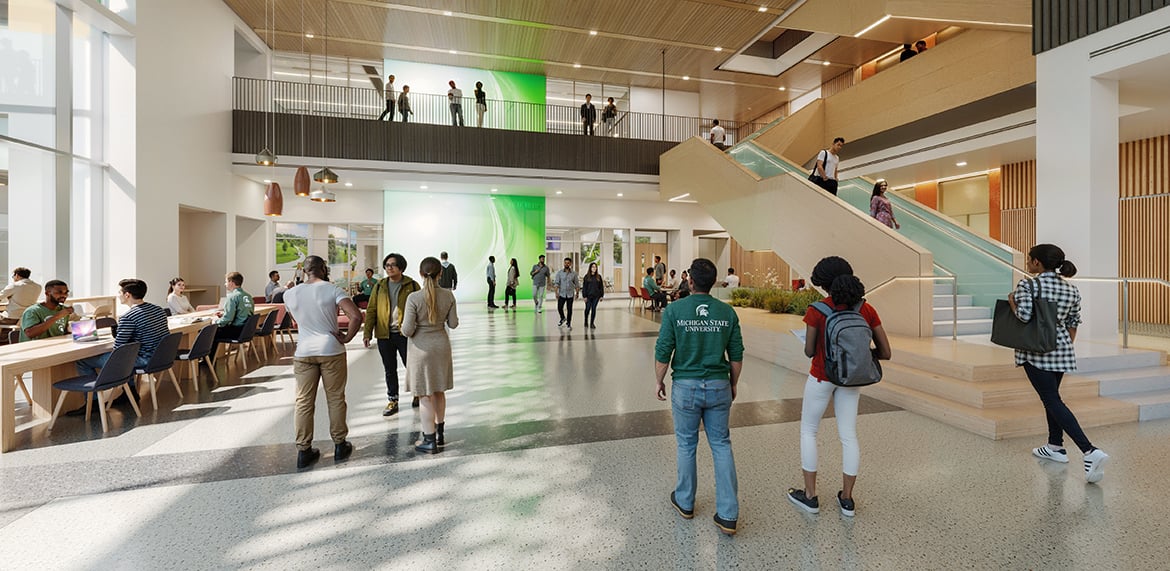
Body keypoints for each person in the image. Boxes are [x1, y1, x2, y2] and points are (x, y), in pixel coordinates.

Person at [787, 256, 891, 518]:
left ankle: (810, 496)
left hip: (821, 377)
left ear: (826, 284)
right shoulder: (866, 309)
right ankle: (847, 500)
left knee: (809, 431)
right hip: (851, 380)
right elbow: (886, 352)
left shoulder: (817, 310)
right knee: (848, 435)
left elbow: (809, 351)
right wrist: (858, 356)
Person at [655, 258, 743, 535]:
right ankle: (728, 514)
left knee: (686, 444)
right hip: (718, 385)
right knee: (721, 444)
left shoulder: (675, 310)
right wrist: (733, 384)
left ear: (690, 281)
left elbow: (663, 350)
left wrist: (658, 381)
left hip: (686, 386)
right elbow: (736, 355)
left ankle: (685, 502)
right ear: (714, 282)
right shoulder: (727, 312)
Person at [1010, 244, 1110, 483]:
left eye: (1030, 259)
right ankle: (1055, 446)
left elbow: (1023, 316)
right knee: (1052, 398)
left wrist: (1012, 301)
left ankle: (1089, 451)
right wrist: (1063, 346)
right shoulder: (1071, 289)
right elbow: (1073, 322)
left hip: (1036, 353)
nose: (1027, 263)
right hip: (1062, 351)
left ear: (1037, 262)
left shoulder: (1028, 285)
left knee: (1052, 400)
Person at [284, 255, 363, 469]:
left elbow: (296, 320)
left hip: (304, 351)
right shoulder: (333, 289)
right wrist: (347, 338)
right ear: (322, 268)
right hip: (331, 350)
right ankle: (339, 445)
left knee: (303, 401)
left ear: (305, 271)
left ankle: (303, 451)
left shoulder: (290, 294)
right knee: (335, 398)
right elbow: (356, 316)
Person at [75, 278, 171, 408]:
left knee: (83, 361)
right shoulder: (158, 309)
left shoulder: (129, 316)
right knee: (128, 355)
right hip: (160, 357)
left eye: (119, 292)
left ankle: (94, 403)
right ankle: (129, 392)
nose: (118, 295)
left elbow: (118, 349)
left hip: (145, 359)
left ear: (127, 295)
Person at [402, 256, 459, 454]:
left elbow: (407, 330)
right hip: (441, 346)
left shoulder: (414, 298)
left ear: (420, 273)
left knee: (425, 395)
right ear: (440, 274)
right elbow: (453, 324)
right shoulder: (448, 296)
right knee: (439, 391)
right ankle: (440, 433)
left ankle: (429, 439)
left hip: (420, 349)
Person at [363, 253, 421, 416]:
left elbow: (421, 309)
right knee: (389, 369)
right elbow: (371, 310)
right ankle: (392, 400)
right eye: (387, 265)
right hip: (384, 335)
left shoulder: (412, 285)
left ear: (401, 267)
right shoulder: (380, 286)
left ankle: (417, 393)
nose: (389, 268)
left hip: (406, 334)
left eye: (392, 265)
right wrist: (367, 332)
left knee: (411, 366)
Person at [212, 272, 255, 356]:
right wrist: (224, 314)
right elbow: (242, 313)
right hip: (246, 330)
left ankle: (208, 360)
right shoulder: (248, 296)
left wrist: (216, 321)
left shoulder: (232, 297)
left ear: (231, 282)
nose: (225, 284)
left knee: (211, 333)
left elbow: (228, 319)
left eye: (226, 282)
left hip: (237, 331)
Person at [553, 257, 580, 329]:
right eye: (565, 263)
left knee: (569, 309)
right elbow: (556, 283)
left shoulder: (574, 274)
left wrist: (577, 293)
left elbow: (577, 284)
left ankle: (568, 323)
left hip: (570, 294)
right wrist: (556, 293)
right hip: (562, 294)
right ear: (563, 263)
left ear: (570, 264)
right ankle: (562, 318)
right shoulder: (559, 273)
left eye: (568, 263)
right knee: (559, 308)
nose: (566, 264)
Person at [581, 262, 604, 329]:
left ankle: (592, 323)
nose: (594, 268)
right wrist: (584, 296)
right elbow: (584, 287)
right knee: (587, 309)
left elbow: (601, 287)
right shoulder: (586, 277)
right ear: (590, 268)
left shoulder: (599, 277)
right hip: (588, 296)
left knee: (594, 309)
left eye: (595, 267)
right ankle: (586, 321)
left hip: (596, 296)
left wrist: (601, 295)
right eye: (593, 267)